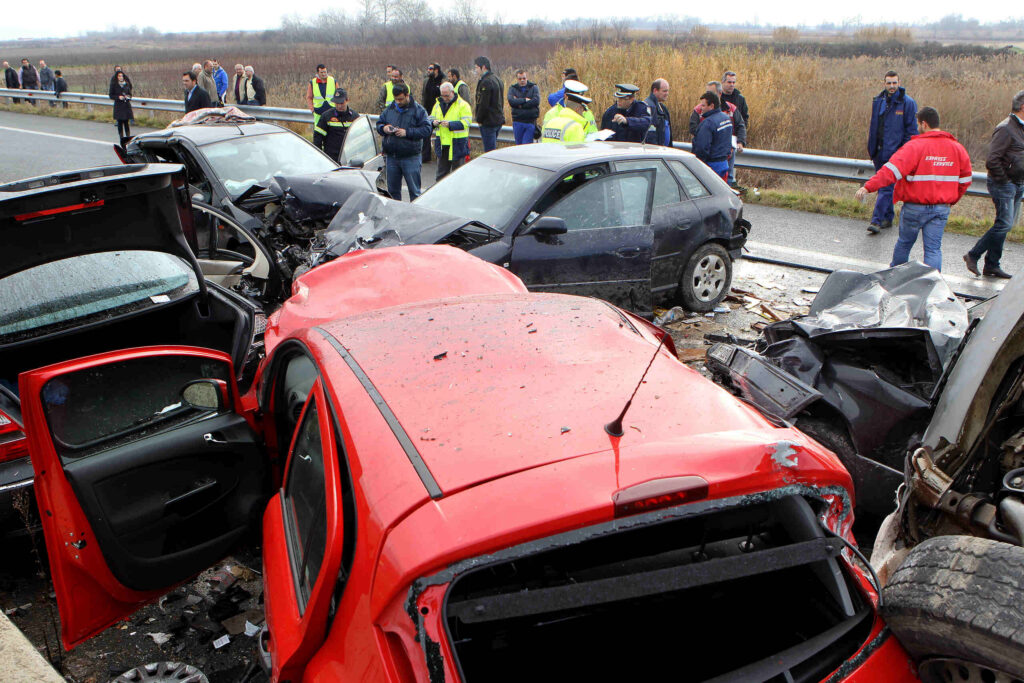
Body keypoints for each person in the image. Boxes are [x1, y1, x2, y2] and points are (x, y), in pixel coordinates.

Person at [854, 107, 972, 272]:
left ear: (924, 124)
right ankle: (932, 285)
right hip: (941, 208)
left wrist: (868, 187)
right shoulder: (957, 148)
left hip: (914, 208)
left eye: (918, 124)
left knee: (905, 243)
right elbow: (965, 180)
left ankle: (895, 277)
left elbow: (891, 171)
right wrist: (952, 200)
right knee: (933, 249)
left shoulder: (915, 146)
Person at [964, 90, 1024, 279]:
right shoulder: (1006, 128)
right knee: (1004, 224)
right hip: (1004, 184)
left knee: (1005, 224)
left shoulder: (1021, 128)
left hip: (1018, 183)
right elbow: (992, 160)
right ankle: (973, 255)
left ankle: (992, 265)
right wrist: (1005, 180)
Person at [867, 70, 918, 234]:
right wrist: (872, 148)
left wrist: (902, 152)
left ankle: (876, 220)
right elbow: (874, 126)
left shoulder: (907, 103)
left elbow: (911, 131)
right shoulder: (878, 101)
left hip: (895, 153)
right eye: (889, 83)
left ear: (899, 83)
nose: (892, 86)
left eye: (894, 83)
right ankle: (888, 217)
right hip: (878, 151)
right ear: (884, 83)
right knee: (885, 186)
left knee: (886, 187)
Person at [377, 82, 432, 201]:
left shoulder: (419, 110)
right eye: (396, 99)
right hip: (392, 157)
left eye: (401, 99)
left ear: (407, 95)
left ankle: (414, 217)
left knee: (415, 192)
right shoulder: (390, 108)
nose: (398, 102)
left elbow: (427, 129)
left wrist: (407, 132)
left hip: (410, 157)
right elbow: (379, 123)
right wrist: (384, 128)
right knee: (392, 193)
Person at [690, 81, 745, 163]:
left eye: (711, 93)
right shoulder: (699, 109)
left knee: (728, 175)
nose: (708, 96)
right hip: (709, 155)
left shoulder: (731, 108)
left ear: (720, 93)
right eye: (707, 92)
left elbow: (740, 125)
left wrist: (740, 142)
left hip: (728, 153)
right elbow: (693, 128)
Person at [431, 81, 472, 180]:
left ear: (452, 92)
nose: (445, 98)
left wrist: (450, 125)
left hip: (457, 144)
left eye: (447, 95)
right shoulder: (437, 104)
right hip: (442, 144)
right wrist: (433, 123)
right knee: (441, 175)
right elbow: (430, 118)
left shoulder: (463, 105)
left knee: (457, 176)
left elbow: (467, 122)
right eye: (443, 95)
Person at [692, 91, 733, 181]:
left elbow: (702, 148)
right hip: (724, 164)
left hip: (712, 166)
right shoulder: (726, 118)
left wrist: (699, 165)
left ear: (711, 106)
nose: (700, 108)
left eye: (703, 105)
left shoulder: (707, 123)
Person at [316, 88, 360, 162]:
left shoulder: (355, 117)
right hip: (331, 159)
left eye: (341, 103)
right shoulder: (326, 116)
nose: (339, 106)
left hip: (350, 159)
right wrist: (320, 157)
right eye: (337, 103)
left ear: (347, 100)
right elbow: (318, 137)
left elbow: (360, 138)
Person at [721, 71, 749, 186]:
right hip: (719, 138)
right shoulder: (717, 97)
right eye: (729, 82)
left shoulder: (739, 99)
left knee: (730, 171)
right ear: (723, 82)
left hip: (733, 140)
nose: (732, 85)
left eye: (733, 82)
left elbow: (744, 120)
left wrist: (740, 139)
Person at [473, 56, 504, 153]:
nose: (475, 70)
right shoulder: (497, 79)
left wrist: (479, 119)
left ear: (483, 67)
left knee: (489, 152)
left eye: (476, 67)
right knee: (492, 150)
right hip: (497, 119)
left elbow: (483, 104)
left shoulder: (486, 82)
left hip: (488, 121)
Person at [306, 64, 336, 151]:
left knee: (331, 136)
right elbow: (309, 97)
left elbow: (338, 95)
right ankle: (318, 152)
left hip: (331, 113)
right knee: (318, 136)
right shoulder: (313, 83)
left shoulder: (333, 81)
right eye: (322, 72)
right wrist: (312, 109)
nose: (324, 74)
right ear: (317, 73)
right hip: (318, 113)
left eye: (325, 72)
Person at [507, 70, 540, 145]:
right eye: (520, 78)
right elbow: (511, 101)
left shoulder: (534, 87)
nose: (522, 80)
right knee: (518, 146)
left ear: (527, 78)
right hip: (517, 121)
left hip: (530, 122)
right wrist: (525, 100)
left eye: (524, 78)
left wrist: (519, 104)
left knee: (526, 146)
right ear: (517, 79)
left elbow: (536, 101)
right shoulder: (513, 88)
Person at [421, 63, 444, 163]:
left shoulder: (442, 80)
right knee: (426, 133)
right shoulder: (427, 80)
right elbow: (424, 95)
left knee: (440, 135)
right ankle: (425, 156)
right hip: (428, 111)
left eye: (431, 68)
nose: (428, 70)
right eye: (428, 68)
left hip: (439, 112)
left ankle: (442, 158)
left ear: (436, 70)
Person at [644, 78, 672, 146]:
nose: (667, 94)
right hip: (656, 151)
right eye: (664, 91)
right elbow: (650, 134)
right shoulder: (649, 106)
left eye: (668, 91)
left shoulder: (663, 108)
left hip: (664, 151)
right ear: (655, 90)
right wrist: (656, 150)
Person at [109, 71, 134, 146]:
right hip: (119, 106)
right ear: (117, 77)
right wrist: (118, 97)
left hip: (126, 105)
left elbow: (130, 94)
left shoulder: (126, 84)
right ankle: (121, 138)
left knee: (126, 123)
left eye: (122, 76)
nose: (121, 77)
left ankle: (128, 138)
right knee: (120, 123)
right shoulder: (114, 85)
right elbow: (111, 95)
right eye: (119, 76)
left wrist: (128, 97)